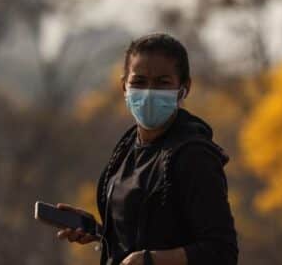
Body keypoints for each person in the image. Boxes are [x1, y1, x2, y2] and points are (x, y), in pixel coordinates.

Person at [56, 33, 239, 265]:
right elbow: (145, 233)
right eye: (139, 82)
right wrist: (98, 231)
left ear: (185, 87)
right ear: (124, 86)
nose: (150, 92)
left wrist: (149, 260)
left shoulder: (194, 156)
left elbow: (222, 251)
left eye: (162, 82)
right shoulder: (126, 149)